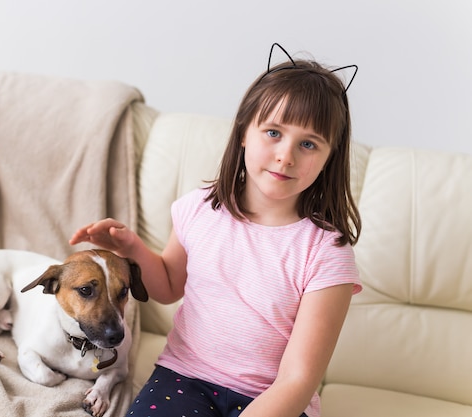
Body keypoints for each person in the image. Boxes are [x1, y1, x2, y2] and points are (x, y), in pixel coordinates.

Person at [69, 43, 362, 417]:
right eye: (273, 133)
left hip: (276, 400)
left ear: (328, 158)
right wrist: (133, 250)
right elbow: (169, 286)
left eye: (308, 144)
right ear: (243, 133)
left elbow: (298, 379)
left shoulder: (327, 251)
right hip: (184, 378)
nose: (286, 156)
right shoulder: (201, 207)